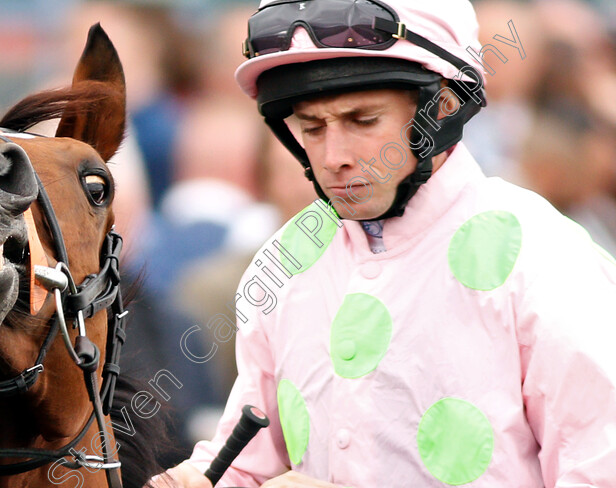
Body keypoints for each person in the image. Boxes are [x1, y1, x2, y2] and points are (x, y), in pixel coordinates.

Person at [154, 0, 616, 486]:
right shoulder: (285, 259)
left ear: (443, 107)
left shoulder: (546, 257)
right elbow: (248, 459)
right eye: (311, 128)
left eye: (363, 120)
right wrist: (198, 480)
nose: (334, 157)